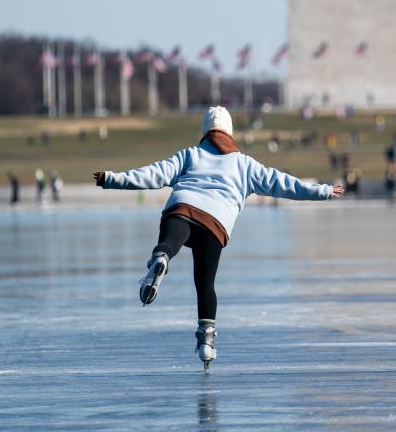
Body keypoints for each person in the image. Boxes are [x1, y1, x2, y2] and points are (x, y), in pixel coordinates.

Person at [94, 107, 344, 368]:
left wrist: (111, 178)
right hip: (215, 224)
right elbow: (282, 183)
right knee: (205, 282)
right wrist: (323, 191)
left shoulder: (191, 155)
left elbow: (153, 174)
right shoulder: (245, 164)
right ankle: (207, 342)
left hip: (182, 207)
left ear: (204, 132)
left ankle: (162, 255)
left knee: (171, 236)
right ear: (230, 132)